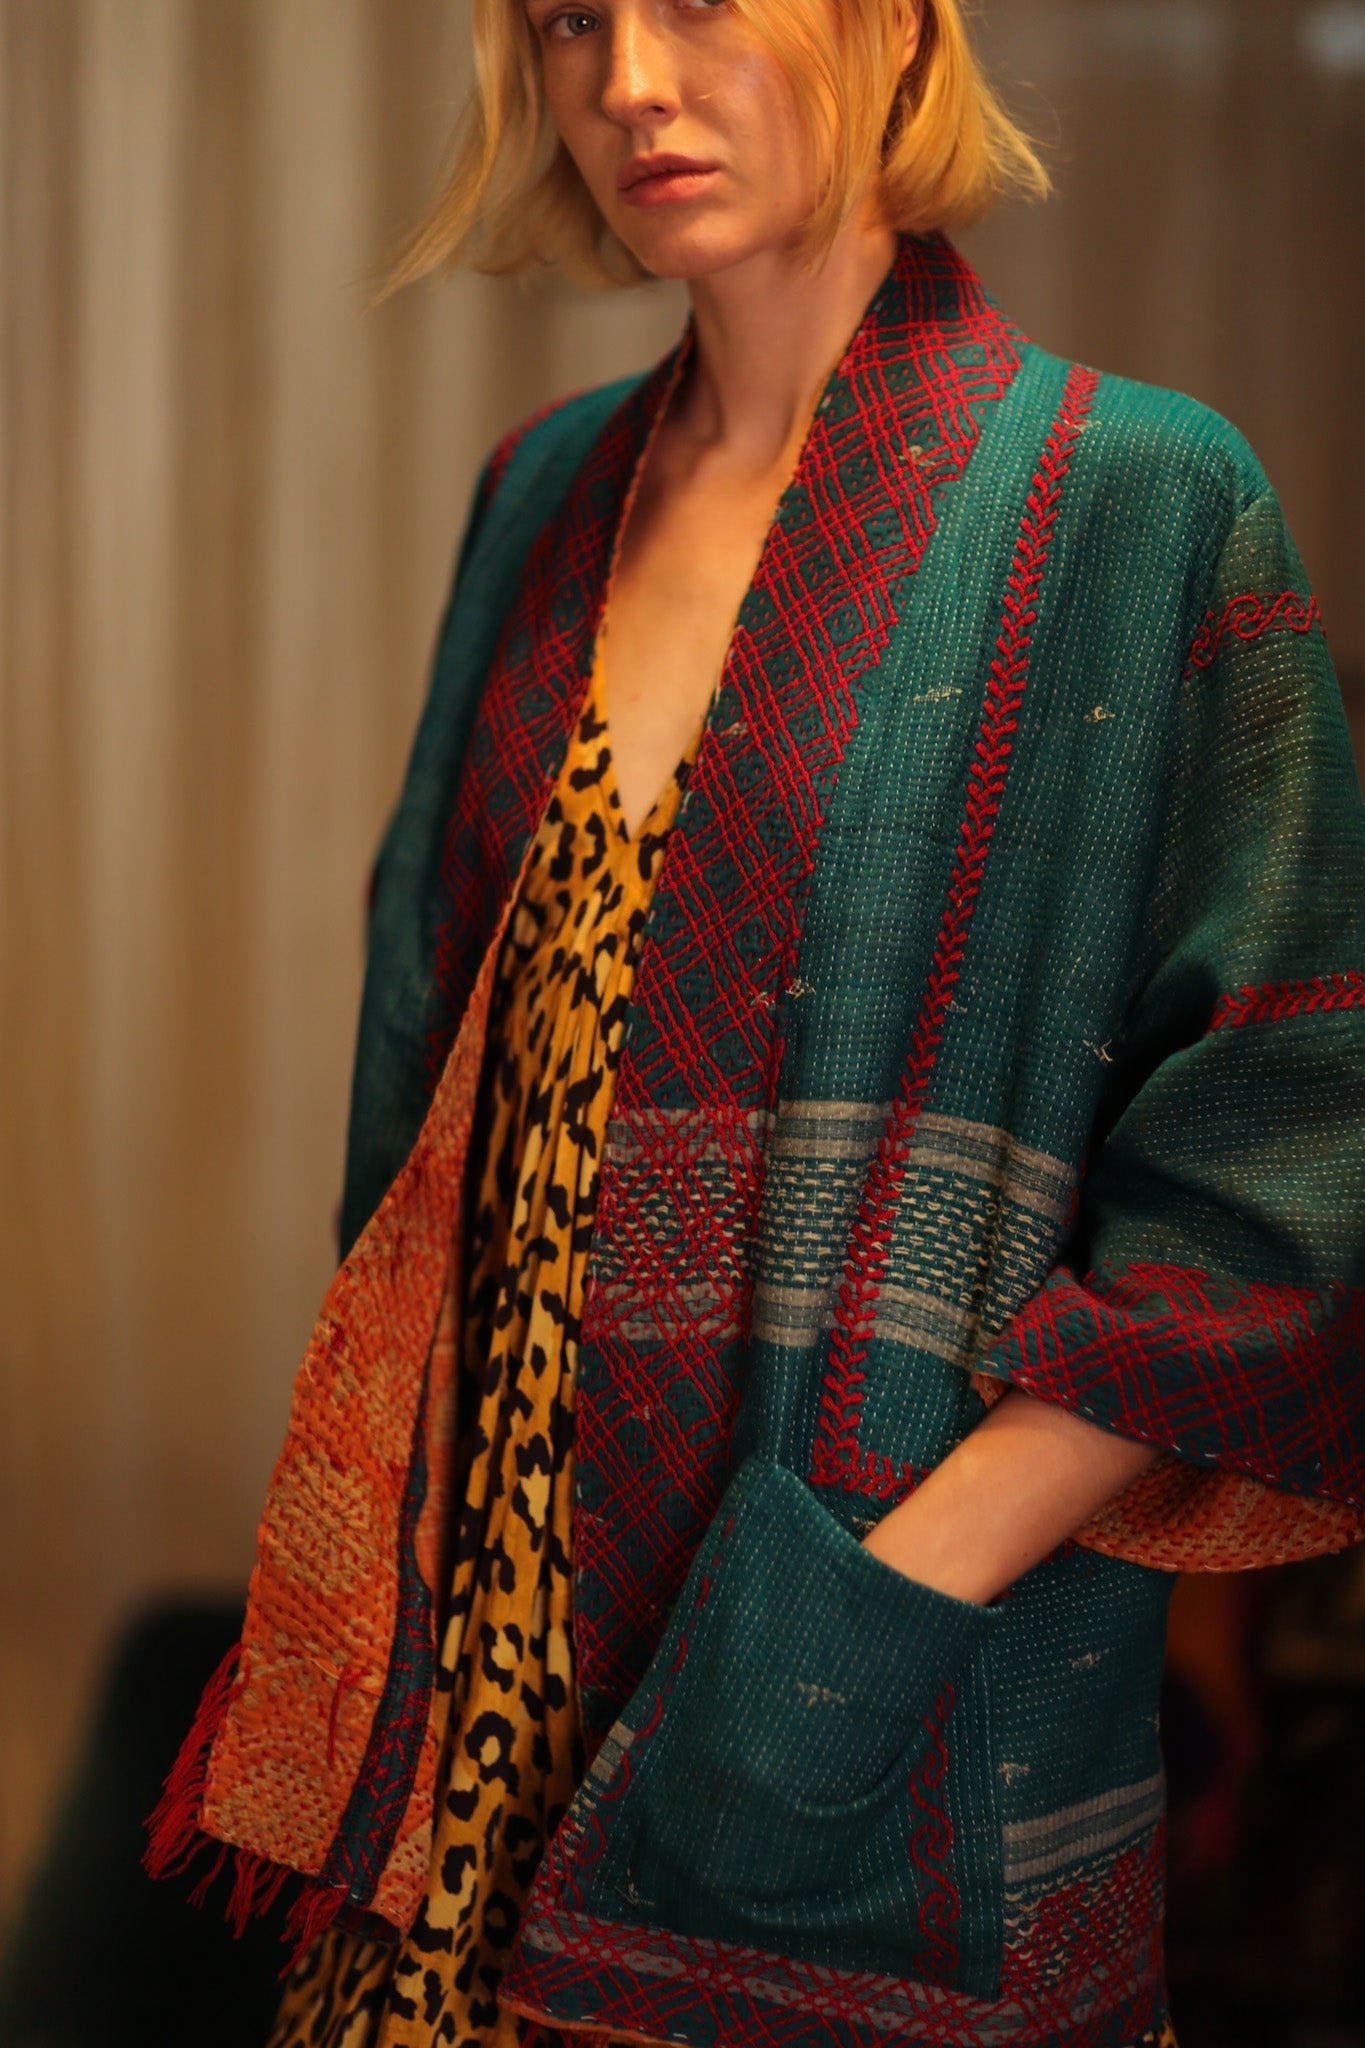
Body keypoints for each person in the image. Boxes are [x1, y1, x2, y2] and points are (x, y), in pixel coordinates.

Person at [146, 1, 1365, 2044]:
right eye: (569, 18)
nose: (627, 82)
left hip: (872, 1681)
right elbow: (430, 1087)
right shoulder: (544, 497)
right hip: (464, 1716)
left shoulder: (1133, 504)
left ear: (887, 20)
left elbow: (1282, 1168)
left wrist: (873, 1601)